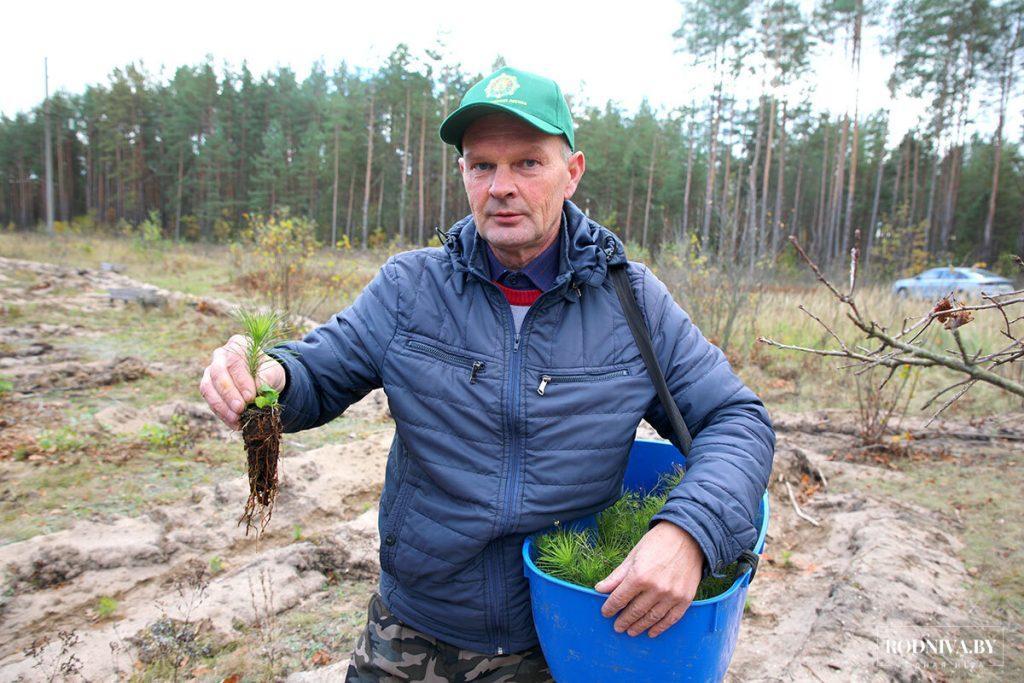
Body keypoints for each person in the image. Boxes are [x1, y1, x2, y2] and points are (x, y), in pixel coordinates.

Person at [199, 66, 775, 682]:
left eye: (528, 163)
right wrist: (272, 375)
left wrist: (688, 533)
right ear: (464, 175)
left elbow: (735, 419)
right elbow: (318, 371)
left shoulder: (632, 302)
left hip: (563, 637)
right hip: (412, 628)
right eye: (482, 166)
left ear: (572, 171)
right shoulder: (410, 289)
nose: (501, 187)